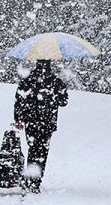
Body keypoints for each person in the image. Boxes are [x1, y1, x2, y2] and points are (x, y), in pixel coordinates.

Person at [13, 59, 69, 192]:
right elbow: (64, 101)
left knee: (32, 149)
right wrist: (54, 98)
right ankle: (36, 180)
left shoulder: (28, 80)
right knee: (42, 151)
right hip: (47, 122)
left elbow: (19, 100)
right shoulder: (56, 82)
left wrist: (19, 118)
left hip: (31, 121)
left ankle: (31, 177)